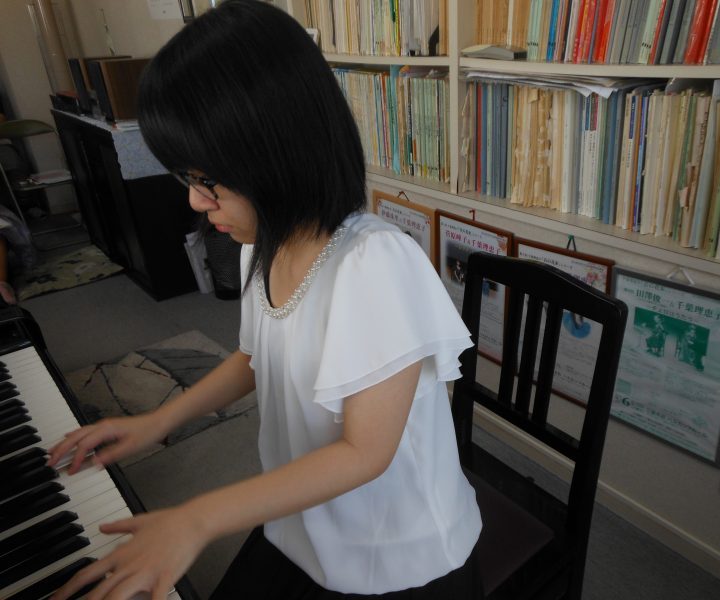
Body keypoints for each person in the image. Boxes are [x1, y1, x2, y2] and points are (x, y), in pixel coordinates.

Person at [47, 2, 482, 599]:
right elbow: (257, 358)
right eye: (187, 179)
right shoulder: (262, 240)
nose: (196, 202)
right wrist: (157, 422)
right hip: (304, 513)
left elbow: (365, 453)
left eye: (208, 181)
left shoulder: (374, 265)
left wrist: (197, 519)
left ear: (278, 154)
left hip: (391, 550)